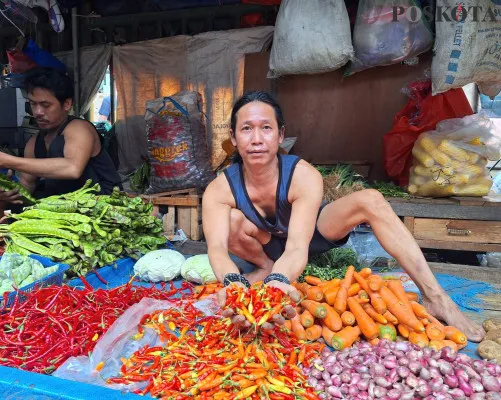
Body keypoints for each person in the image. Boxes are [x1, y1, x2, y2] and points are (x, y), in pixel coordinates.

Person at [202, 90, 485, 342]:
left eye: (266, 128)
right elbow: (216, 247)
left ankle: (437, 298)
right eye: (246, 129)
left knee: (371, 200)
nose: (256, 140)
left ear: (279, 135)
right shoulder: (219, 189)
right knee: (229, 222)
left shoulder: (302, 175)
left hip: (309, 236)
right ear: (233, 137)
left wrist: (279, 282)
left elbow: (298, 246)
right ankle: (264, 268)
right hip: (266, 244)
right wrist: (233, 284)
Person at [0, 67, 122, 203]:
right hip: (64, 209)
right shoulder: (34, 143)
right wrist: (9, 190)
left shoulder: (79, 128)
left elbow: (72, 168)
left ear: (67, 104)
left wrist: (6, 160)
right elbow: (27, 185)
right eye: (33, 104)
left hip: (104, 206)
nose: (38, 112)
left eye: (45, 105)